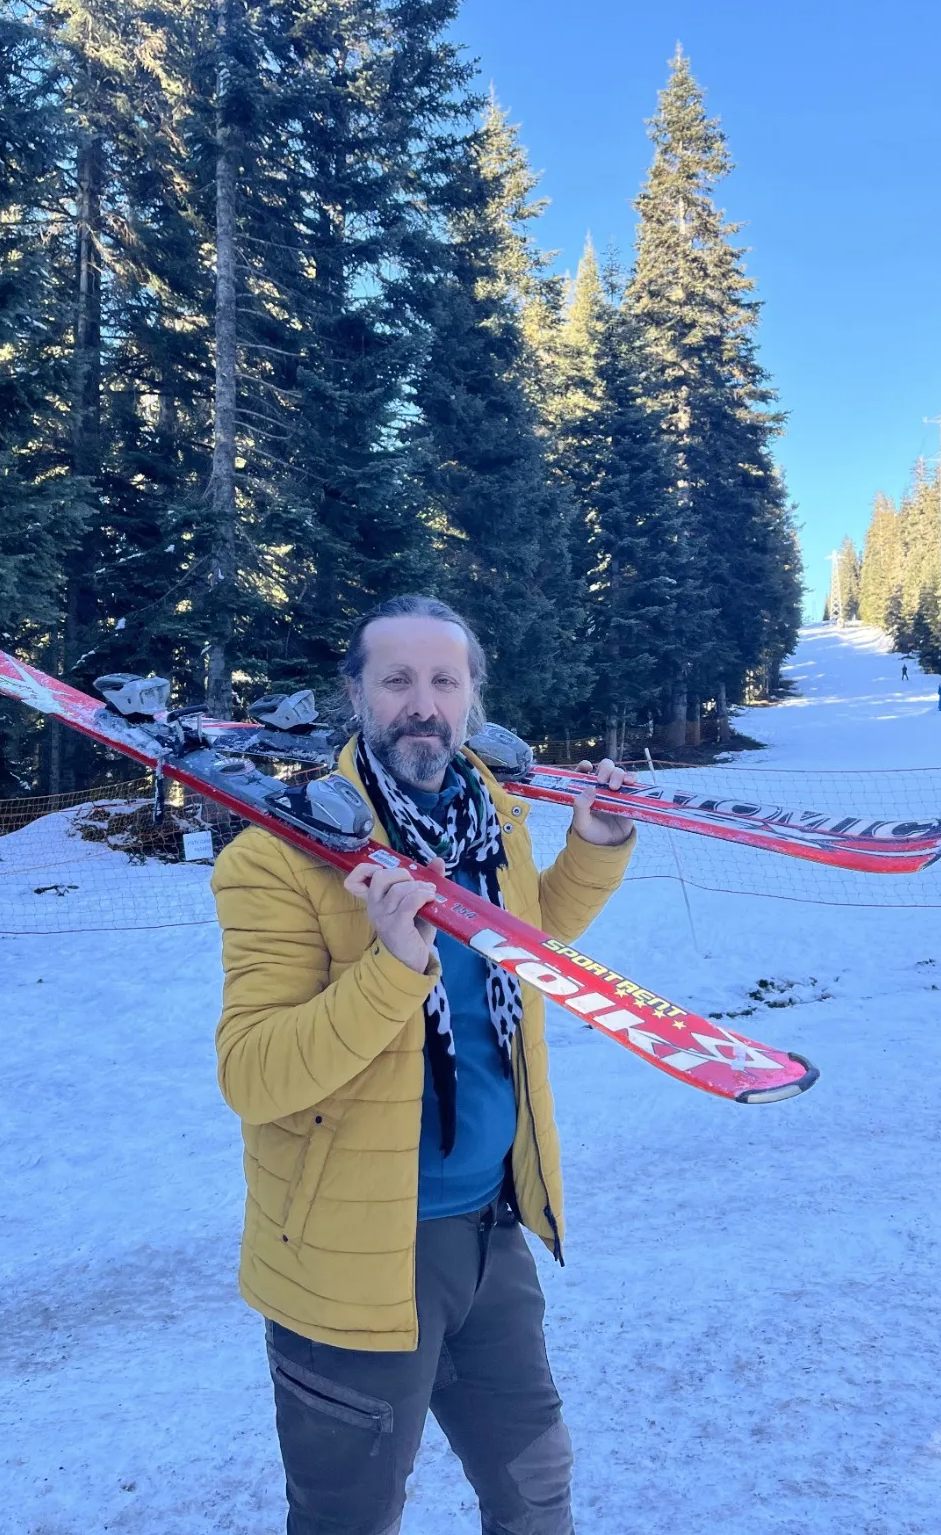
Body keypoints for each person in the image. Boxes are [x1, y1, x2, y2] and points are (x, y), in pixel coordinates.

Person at [211, 595, 636, 1535]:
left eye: (444, 681)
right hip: (348, 1261)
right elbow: (254, 1075)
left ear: (471, 697)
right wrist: (392, 968)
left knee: (537, 1494)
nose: (422, 703)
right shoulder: (278, 857)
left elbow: (523, 940)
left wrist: (595, 850)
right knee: (348, 1519)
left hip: (492, 1238)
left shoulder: (493, 815)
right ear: (356, 695)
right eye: (396, 679)